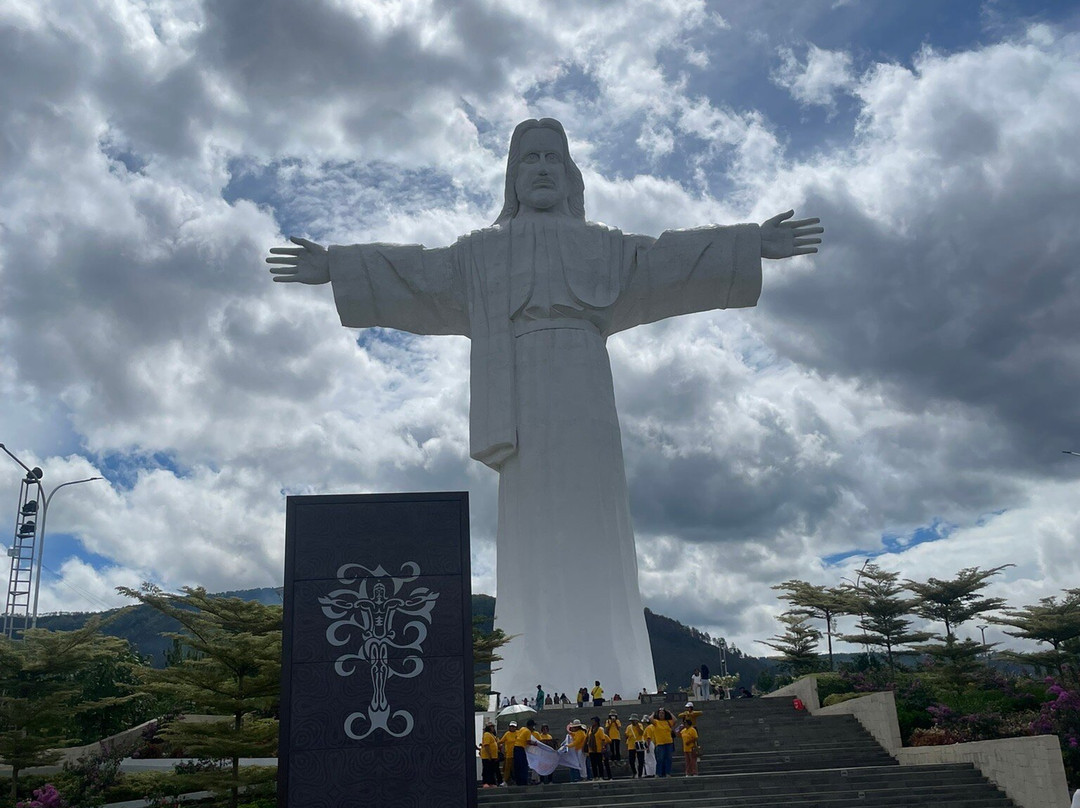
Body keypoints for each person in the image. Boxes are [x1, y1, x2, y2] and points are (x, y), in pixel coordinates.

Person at [267, 118, 822, 699]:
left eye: (551, 157)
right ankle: (528, 683)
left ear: (569, 172)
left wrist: (749, 242)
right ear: (511, 176)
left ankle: (621, 678)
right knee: (531, 535)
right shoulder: (481, 254)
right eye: (527, 158)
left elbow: (670, 257)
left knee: (598, 522)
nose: (539, 167)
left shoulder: (605, 246)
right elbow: (419, 271)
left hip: (585, 386)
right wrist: (337, 266)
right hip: (522, 396)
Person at [651, 707, 676, 777]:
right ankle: (658, 773)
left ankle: (667, 773)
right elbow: (650, 719)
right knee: (660, 759)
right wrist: (653, 713)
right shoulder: (656, 722)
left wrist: (670, 713)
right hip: (660, 743)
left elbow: (675, 720)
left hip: (669, 742)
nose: (661, 714)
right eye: (660, 713)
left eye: (663, 713)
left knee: (668, 758)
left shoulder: (668, 722)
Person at [478, 721, 501, 787]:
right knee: (487, 770)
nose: (492, 728)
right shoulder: (487, 734)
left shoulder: (492, 735)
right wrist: (489, 755)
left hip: (493, 756)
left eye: (493, 726)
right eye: (491, 727)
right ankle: (486, 782)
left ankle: (491, 782)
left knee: (491, 770)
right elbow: (487, 745)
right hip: (487, 756)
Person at [500, 721, 518, 786]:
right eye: (511, 726)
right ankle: (505, 781)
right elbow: (501, 741)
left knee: (515, 768)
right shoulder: (507, 734)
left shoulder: (518, 733)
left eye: (513, 727)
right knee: (507, 768)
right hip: (509, 754)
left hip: (516, 754)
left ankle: (516, 780)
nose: (512, 728)